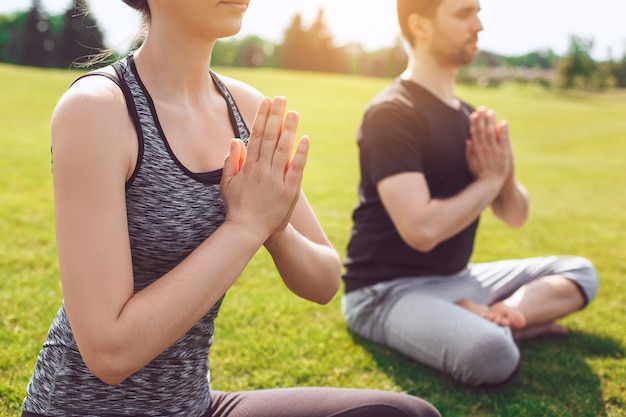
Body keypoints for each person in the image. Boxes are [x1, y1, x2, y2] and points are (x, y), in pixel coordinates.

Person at [20, 1, 441, 416]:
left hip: (196, 406)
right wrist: (245, 226)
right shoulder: (97, 110)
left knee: (403, 413)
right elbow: (108, 353)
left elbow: (325, 280)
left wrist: (275, 226)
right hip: (83, 409)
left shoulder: (247, 108)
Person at [342, 0, 599, 388]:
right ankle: (498, 327)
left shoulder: (471, 117)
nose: (478, 25)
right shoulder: (392, 113)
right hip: (386, 291)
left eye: (477, 12)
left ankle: (502, 315)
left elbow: (515, 215)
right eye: (463, 13)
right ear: (421, 26)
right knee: (491, 355)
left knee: (581, 272)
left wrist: (503, 176)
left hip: (459, 279)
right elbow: (421, 230)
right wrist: (489, 183)